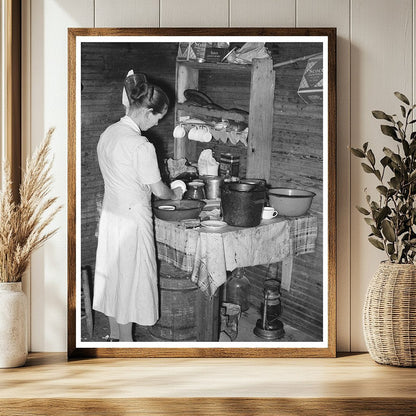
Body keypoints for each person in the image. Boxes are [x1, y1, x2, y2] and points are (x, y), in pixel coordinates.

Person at [93, 76, 183, 342]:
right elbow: (159, 191)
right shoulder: (141, 146)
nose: (157, 123)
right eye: (157, 118)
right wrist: (176, 193)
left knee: (114, 279)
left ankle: (115, 337)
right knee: (131, 282)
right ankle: (127, 344)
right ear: (146, 111)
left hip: (111, 216)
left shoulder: (108, 134)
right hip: (133, 220)